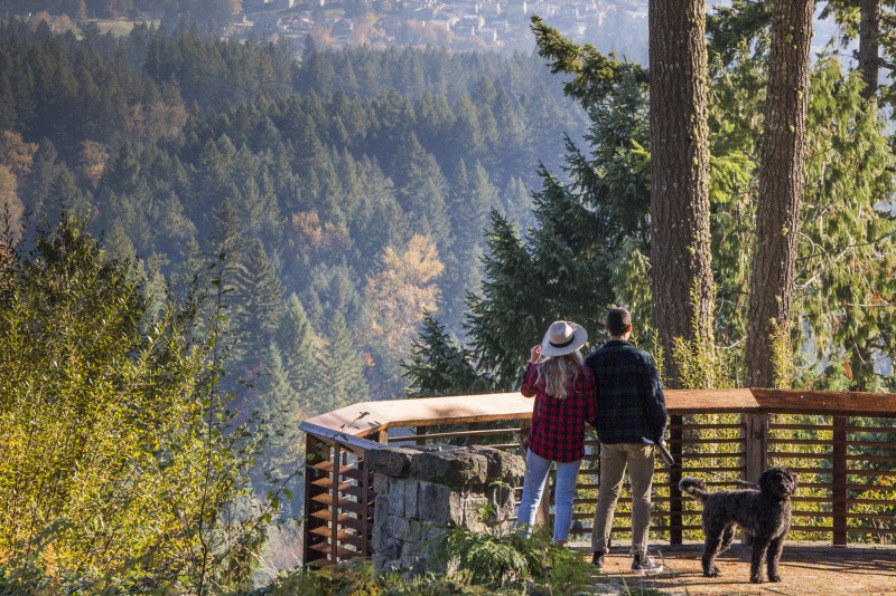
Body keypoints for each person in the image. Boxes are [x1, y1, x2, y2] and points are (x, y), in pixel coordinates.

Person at [585, 306, 667, 574]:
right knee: (640, 495)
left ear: (606, 328)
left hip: (609, 437)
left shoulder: (593, 361)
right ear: (629, 328)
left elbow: (589, 403)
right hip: (639, 437)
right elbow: (656, 401)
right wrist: (658, 434)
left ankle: (598, 555)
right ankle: (639, 556)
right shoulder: (641, 358)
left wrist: (600, 426)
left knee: (607, 494)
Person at [517, 320, 597, 546]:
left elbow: (525, 391)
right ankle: (559, 547)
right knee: (564, 499)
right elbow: (592, 414)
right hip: (570, 445)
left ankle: (523, 545)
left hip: (541, 442)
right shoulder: (585, 375)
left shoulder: (541, 371)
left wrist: (532, 362)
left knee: (530, 496)